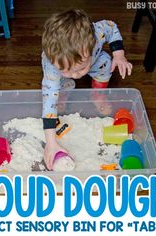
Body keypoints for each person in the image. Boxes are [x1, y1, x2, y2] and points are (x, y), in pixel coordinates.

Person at [41, 9, 133, 170]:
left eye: (80, 69)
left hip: (97, 60)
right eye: (67, 70)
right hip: (56, 71)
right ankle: (62, 95)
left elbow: (112, 27)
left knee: (106, 63)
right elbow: (48, 101)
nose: (74, 75)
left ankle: (98, 94)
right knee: (57, 87)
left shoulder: (97, 33)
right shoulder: (52, 65)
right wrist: (51, 142)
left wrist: (119, 54)